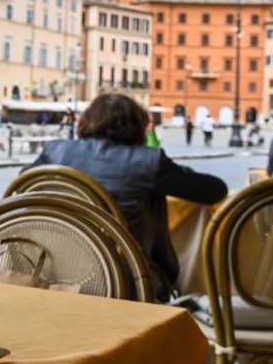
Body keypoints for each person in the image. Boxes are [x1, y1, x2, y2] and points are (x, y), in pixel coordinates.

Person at [24, 94, 227, 301]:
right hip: (124, 280)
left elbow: (22, 187)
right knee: (151, 196)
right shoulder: (148, 161)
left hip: (53, 272)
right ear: (139, 125)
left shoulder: (55, 152)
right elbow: (214, 190)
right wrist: (169, 171)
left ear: (87, 120)